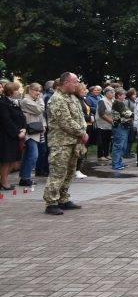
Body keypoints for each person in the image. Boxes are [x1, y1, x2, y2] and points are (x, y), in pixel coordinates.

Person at [42, 72, 88, 215]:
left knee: (69, 172)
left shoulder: (72, 97)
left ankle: (63, 198)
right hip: (61, 142)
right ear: (66, 82)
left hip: (73, 141)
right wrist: (82, 132)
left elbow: (79, 117)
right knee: (58, 172)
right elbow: (65, 121)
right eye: (75, 82)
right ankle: (51, 202)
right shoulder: (57, 99)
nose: (77, 84)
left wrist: (82, 131)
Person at [0, 81, 28, 191]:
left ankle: (4, 180)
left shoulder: (15, 102)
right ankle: (4, 181)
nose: (19, 92)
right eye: (17, 90)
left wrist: (24, 128)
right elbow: (6, 120)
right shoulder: (3, 103)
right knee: (6, 160)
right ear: (11, 92)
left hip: (16, 135)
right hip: (7, 136)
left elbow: (22, 117)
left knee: (13, 160)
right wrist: (17, 132)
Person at [110, 88, 132, 172]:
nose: (125, 96)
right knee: (118, 145)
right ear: (119, 96)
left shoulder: (120, 103)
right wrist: (133, 114)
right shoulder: (118, 103)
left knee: (121, 145)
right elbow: (125, 113)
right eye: (123, 95)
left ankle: (119, 162)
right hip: (119, 126)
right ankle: (116, 164)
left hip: (122, 125)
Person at [94, 87, 114, 162]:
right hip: (101, 123)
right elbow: (101, 113)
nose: (113, 94)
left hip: (109, 124)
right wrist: (111, 121)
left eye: (113, 92)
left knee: (107, 139)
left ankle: (106, 154)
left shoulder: (112, 100)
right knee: (101, 140)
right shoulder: (102, 101)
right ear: (107, 93)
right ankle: (100, 155)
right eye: (111, 92)